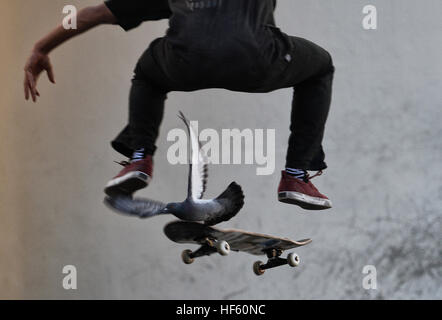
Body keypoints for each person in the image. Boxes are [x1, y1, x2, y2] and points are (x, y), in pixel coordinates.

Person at [24, 0, 335, 210]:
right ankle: (296, 175)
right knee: (320, 67)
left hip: (184, 63)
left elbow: (96, 14)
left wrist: (41, 47)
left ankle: (140, 156)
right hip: (256, 60)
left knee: (148, 72)